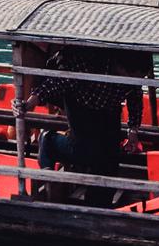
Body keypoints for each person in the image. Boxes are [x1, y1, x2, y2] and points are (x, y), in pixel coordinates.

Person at [31, 42, 145, 204]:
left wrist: (133, 131)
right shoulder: (89, 61)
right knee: (85, 150)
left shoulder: (133, 76)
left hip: (109, 108)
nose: (136, 80)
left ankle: (98, 204)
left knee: (111, 156)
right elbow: (57, 83)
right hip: (80, 103)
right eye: (134, 76)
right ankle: (50, 140)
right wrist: (32, 101)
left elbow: (135, 99)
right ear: (120, 67)